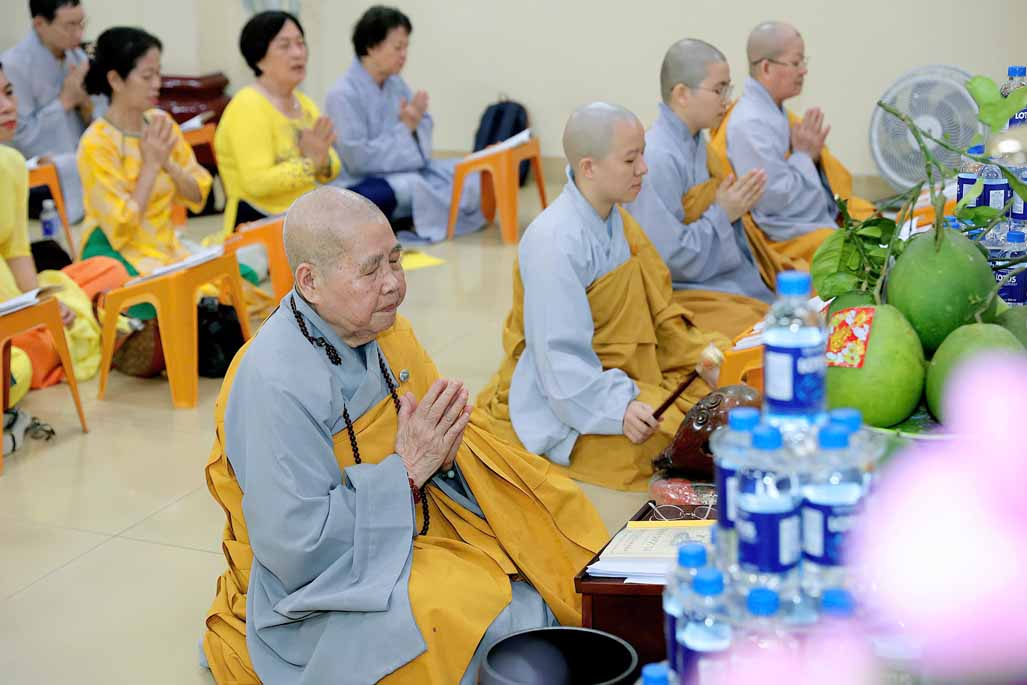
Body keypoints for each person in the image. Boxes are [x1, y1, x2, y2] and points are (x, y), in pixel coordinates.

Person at [201, 187, 606, 685]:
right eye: (371, 270)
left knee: (553, 521)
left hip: (417, 517)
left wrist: (448, 454)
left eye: (396, 260)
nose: (393, 283)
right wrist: (407, 474)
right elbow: (296, 547)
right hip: (325, 580)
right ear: (310, 281)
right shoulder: (272, 382)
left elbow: (448, 439)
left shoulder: (389, 332)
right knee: (480, 612)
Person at [475, 103, 730, 492]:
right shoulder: (553, 242)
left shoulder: (617, 218)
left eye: (642, 154)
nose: (644, 168)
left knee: (715, 399)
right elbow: (559, 362)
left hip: (628, 371)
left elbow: (658, 308)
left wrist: (693, 353)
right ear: (589, 167)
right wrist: (619, 410)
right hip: (567, 395)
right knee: (675, 441)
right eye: (630, 159)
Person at [627, 38, 773, 339]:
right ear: (682, 94)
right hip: (682, 291)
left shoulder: (696, 143)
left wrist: (733, 208)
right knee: (758, 333)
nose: (727, 101)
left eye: (728, 89)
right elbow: (668, 258)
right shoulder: (658, 157)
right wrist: (724, 213)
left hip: (714, 275)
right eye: (719, 90)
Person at [708, 21, 874, 269]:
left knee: (872, 223)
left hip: (798, 222)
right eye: (796, 63)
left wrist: (810, 158)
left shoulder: (774, 112)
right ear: (766, 67)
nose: (803, 71)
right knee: (851, 252)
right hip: (776, 240)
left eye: (803, 62)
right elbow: (774, 202)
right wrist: (804, 156)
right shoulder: (750, 123)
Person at [0, 62, 111, 421]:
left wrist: (39, 304)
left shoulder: (11, 164)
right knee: (17, 363)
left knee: (106, 271)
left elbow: (16, 251)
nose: (7, 106)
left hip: (11, 300)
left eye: (8, 93)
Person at [325, 5, 485, 242]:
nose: (404, 55)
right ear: (371, 47)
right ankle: (397, 218)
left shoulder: (395, 83)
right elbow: (357, 159)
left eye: (406, 47)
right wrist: (406, 129)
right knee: (399, 190)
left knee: (470, 174)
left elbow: (420, 128)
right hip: (363, 181)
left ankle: (404, 217)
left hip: (406, 169)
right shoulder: (342, 94)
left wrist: (414, 123)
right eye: (398, 47)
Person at [77, 27, 211, 281]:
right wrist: (150, 166)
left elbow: (198, 194)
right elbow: (119, 226)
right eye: (147, 76)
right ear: (116, 80)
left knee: (235, 281)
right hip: (117, 253)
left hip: (165, 245)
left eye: (158, 73)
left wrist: (168, 163)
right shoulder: (96, 142)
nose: (157, 84)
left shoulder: (160, 123)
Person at [213, 10, 340, 237]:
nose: (298, 53)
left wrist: (322, 160)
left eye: (300, 43)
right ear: (259, 58)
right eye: (285, 46)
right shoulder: (248, 105)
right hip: (257, 223)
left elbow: (332, 167)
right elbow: (257, 182)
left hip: (303, 215)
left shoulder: (304, 103)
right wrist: (312, 163)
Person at [1, 0, 103, 225]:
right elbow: (20, 137)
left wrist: (85, 106)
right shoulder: (12, 66)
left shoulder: (77, 57)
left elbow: (99, 118)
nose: (79, 33)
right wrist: (65, 101)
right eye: (69, 26)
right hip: (35, 175)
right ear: (40, 24)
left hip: (79, 162)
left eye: (81, 23)